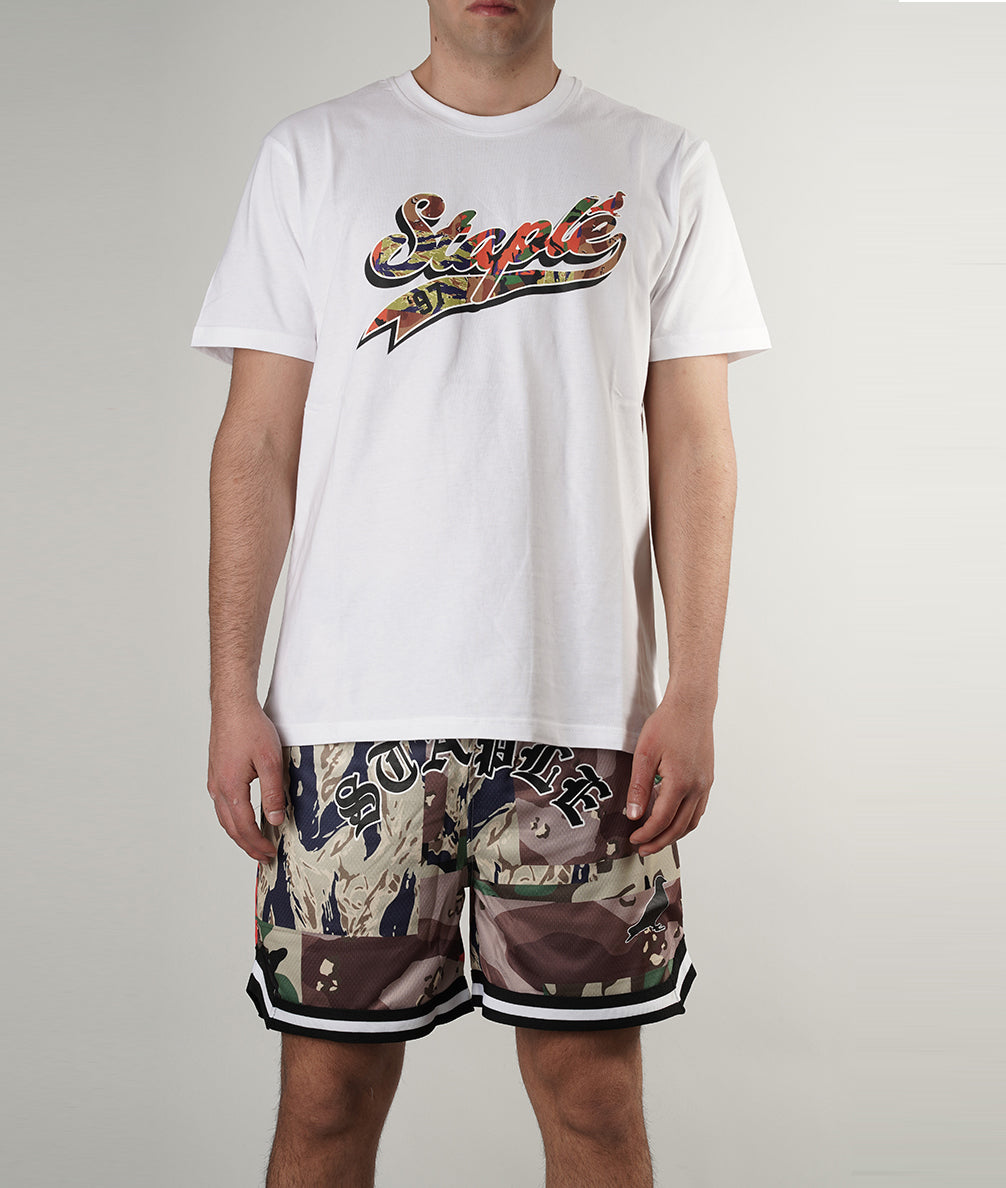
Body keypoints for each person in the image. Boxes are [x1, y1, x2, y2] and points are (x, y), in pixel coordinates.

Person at [190, 2, 771, 1184]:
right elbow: (256, 441)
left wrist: (695, 691)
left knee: (593, 1100)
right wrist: (230, 692)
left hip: (584, 722)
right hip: (347, 724)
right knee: (324, 1100)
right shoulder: (314, 155)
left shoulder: (659, 161)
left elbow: (694, 442)